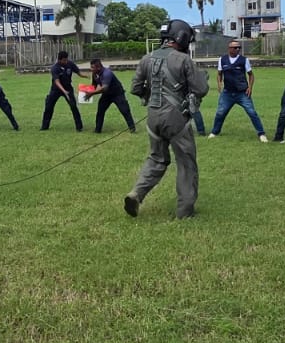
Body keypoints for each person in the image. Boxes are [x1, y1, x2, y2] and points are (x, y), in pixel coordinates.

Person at [123, 19, 209, 220]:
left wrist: (151, 95)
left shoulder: (146, 58)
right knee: (186, 163)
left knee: (156, 158)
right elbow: (200, 89)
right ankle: (185, 211)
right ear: (182, 37)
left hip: (153, 117)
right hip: (176, 118)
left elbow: (135, 88)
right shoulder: (183, 59)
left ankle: (137, 193)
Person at [208, 39, 268, 142]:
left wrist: (250, 87)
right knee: (220, 113)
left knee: (252, 112)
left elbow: (251, 75)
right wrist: (219, 83)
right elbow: (219, 73)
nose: (238, 49)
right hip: (227, 93)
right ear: (229, 49)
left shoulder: (244, 60)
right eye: (235, 47)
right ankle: (214, 132)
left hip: (242, 93)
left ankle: (261, 134)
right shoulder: (222, 60)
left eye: (239, 48)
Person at [88, 58, 137, 133]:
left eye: (92, 67)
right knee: (100, 110)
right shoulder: (95, 73)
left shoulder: (107, 73)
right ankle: (97, 130)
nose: (90, 69)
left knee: (124, 110)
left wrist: (92, 93)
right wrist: (87, 92)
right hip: (106, 95)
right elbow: (94, 85)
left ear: (98, 67)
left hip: (117, 93)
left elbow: (104, 88)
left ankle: (132, 128)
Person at [40, 50, 85, 131]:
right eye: (64, 60)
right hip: (56, 89)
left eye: (66, 59)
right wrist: (64, 91)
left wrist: (85, 76)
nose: (66, 61)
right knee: (49, 106)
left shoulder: (70, 64)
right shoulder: (55, 68)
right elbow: (57, 82)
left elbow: (78, 72)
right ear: (59, 60)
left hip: (68, 88)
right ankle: (44, 126)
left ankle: (79, 127)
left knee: (73, 106)